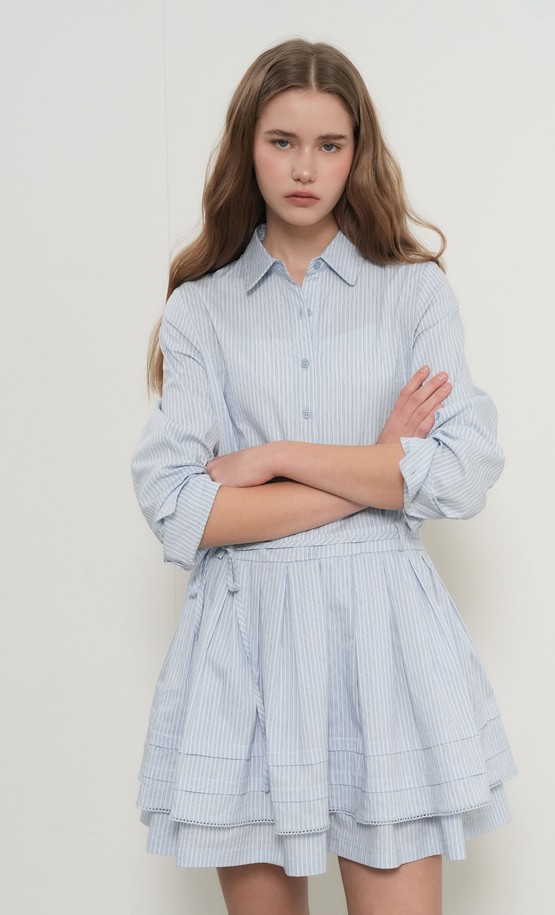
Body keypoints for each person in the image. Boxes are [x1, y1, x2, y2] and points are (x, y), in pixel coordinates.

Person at [131, 37, 517, 915]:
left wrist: (275, 458)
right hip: (245, 644)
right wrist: (376, 465)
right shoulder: (200, 310)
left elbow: (462, 471)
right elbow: (181, 509)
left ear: (357, 153)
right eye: (282, 141)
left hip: (384, 639)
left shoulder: (413, 294)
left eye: (329, 144)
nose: (305, 168)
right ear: (248, 147)